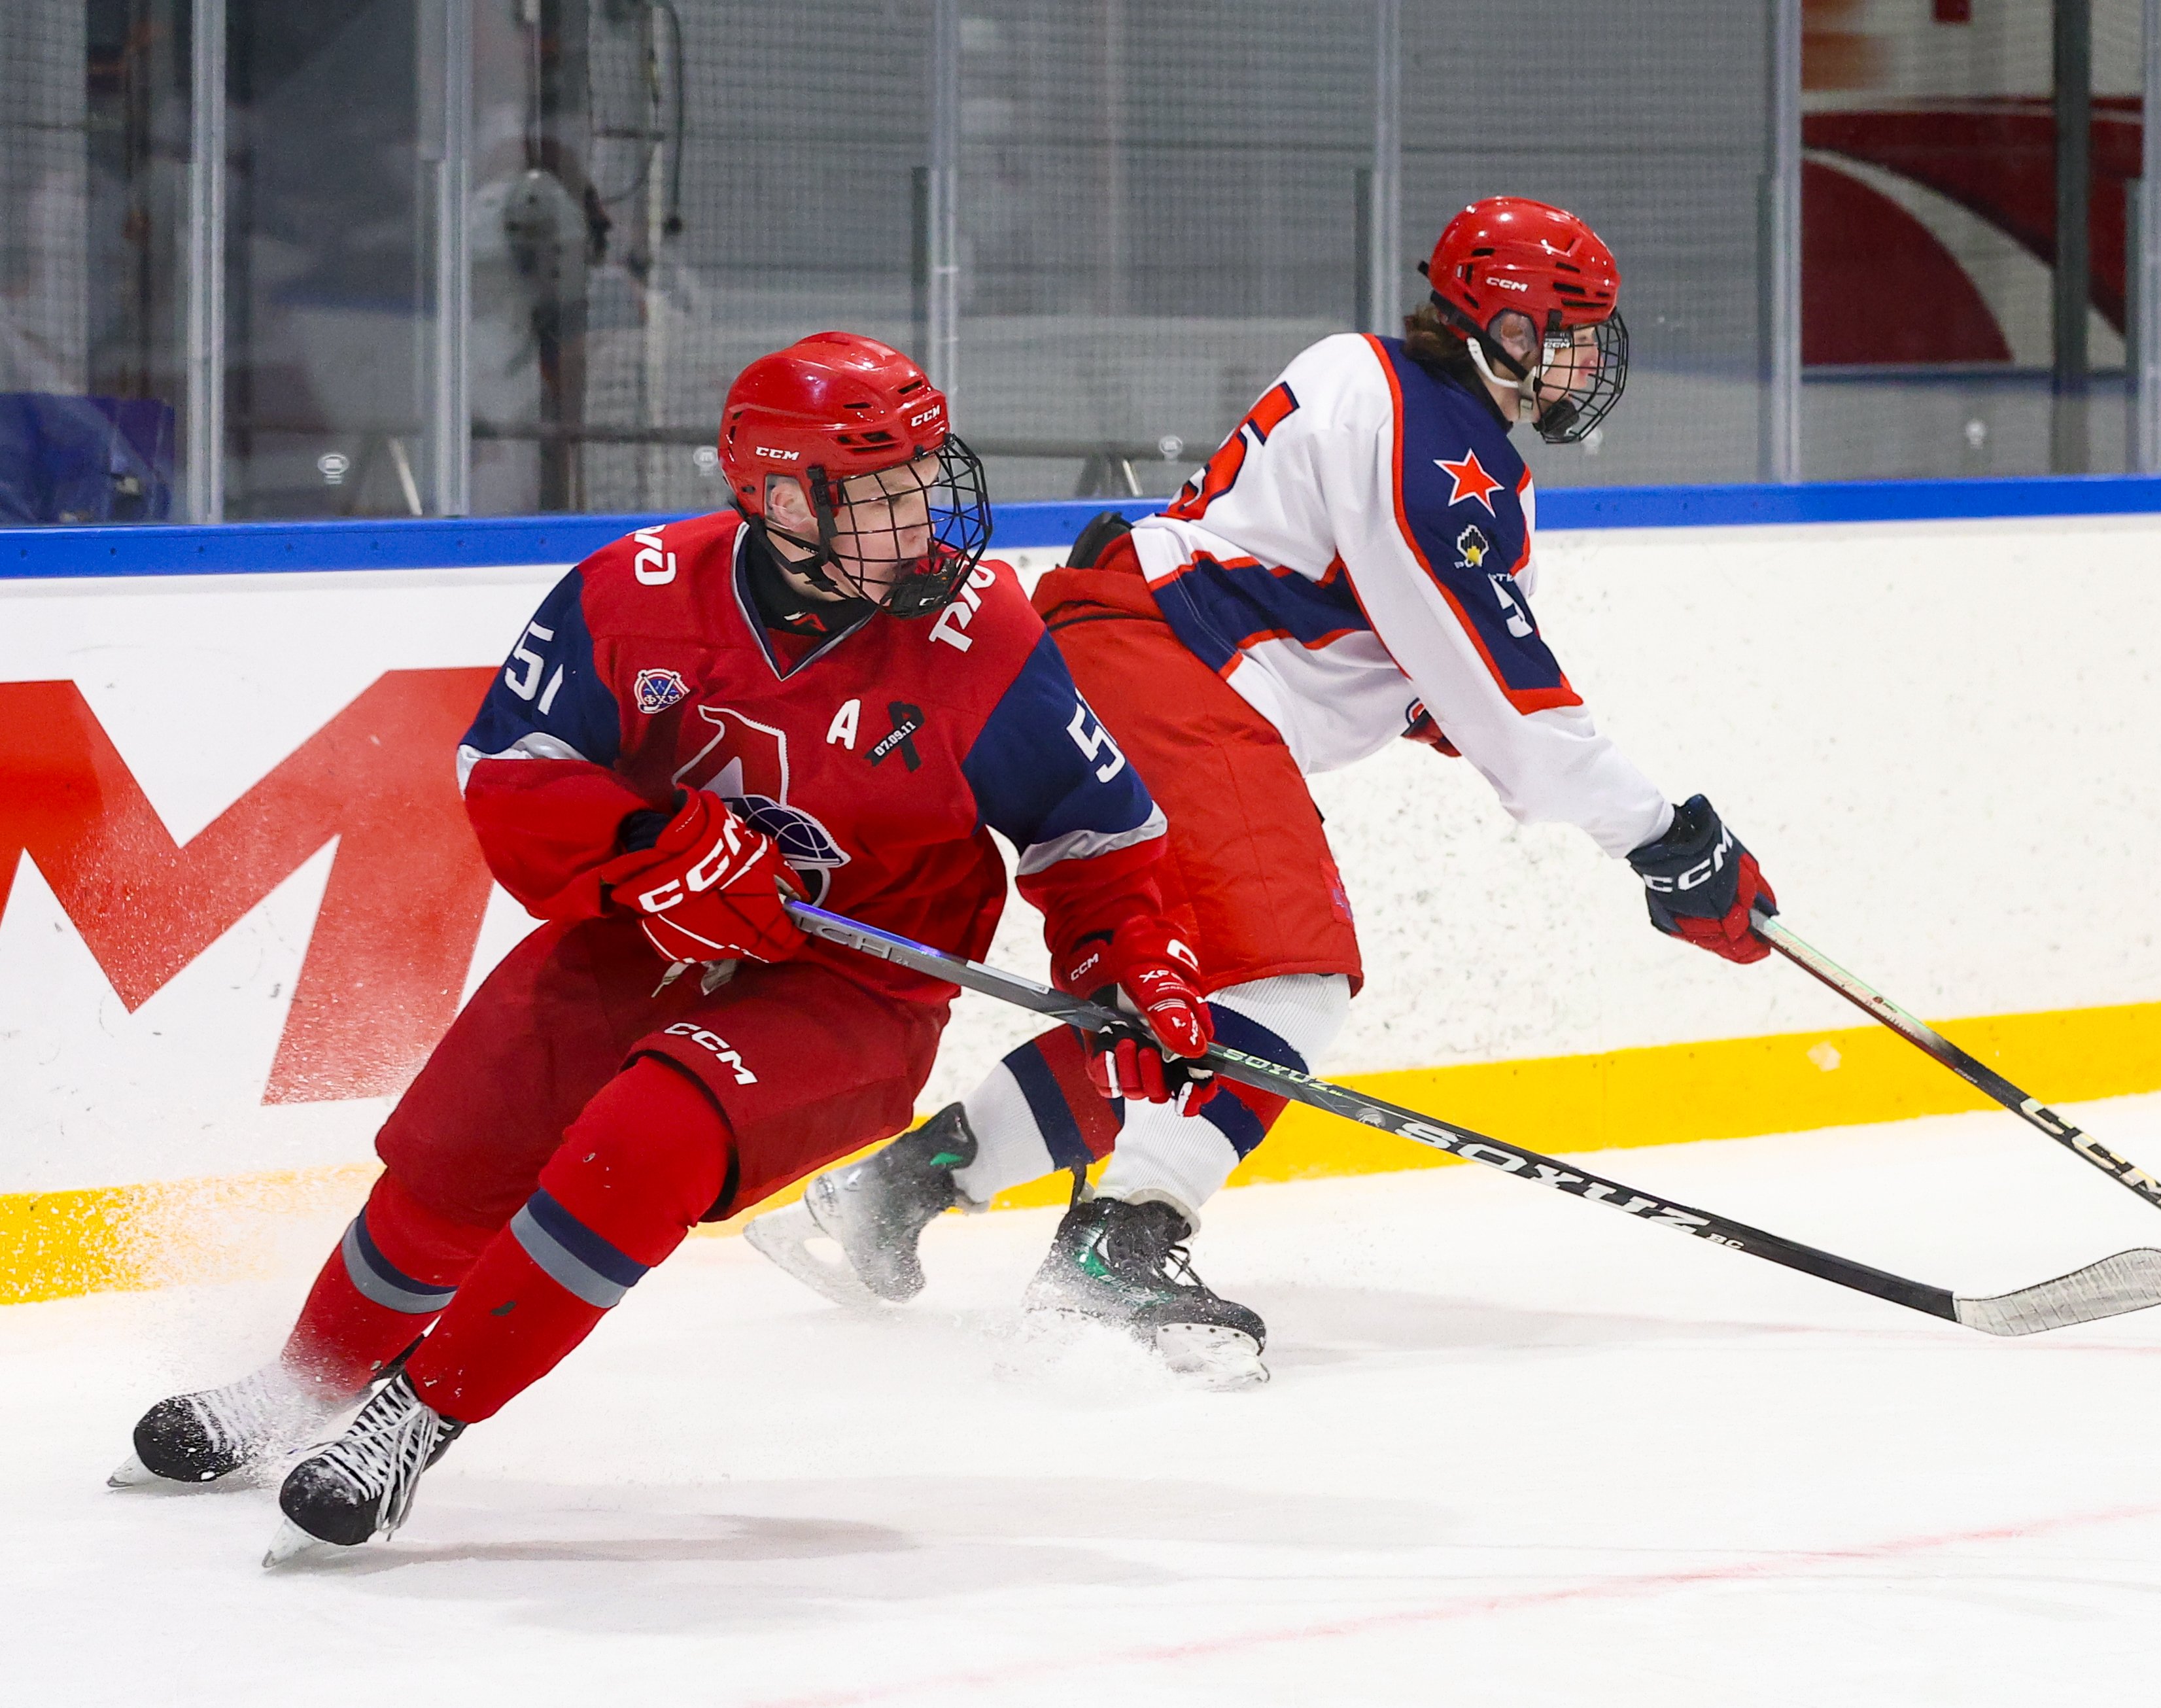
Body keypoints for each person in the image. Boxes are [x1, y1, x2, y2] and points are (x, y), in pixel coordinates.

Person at [110, 333, 1214, 1559]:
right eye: (881, 493)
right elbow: (507, 769)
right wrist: (652, 842)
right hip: (642, 939)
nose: (922, 522)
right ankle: (304, 1386)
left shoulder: (983, 636)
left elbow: (1096, 839)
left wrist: (1136, 962)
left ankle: (412, 1419)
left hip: (857, 984)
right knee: (465, 1146)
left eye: (923, 480)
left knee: (652, 1130)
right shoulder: (629, 592)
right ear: (782, 497)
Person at [750, 198, 1778, 1386]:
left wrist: (1460, 721)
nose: (1592, 362)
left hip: (1121, 652)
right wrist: (1671, 842)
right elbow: (1513, 704)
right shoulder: (1432, 445)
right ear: (1498, 326)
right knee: (1286, 977)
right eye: (1571, 333)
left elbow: (1398, 645)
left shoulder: (1386, 389)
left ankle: (887, 1198)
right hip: (1165, 674)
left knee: (1185, 1011)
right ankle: (1119, 1251)